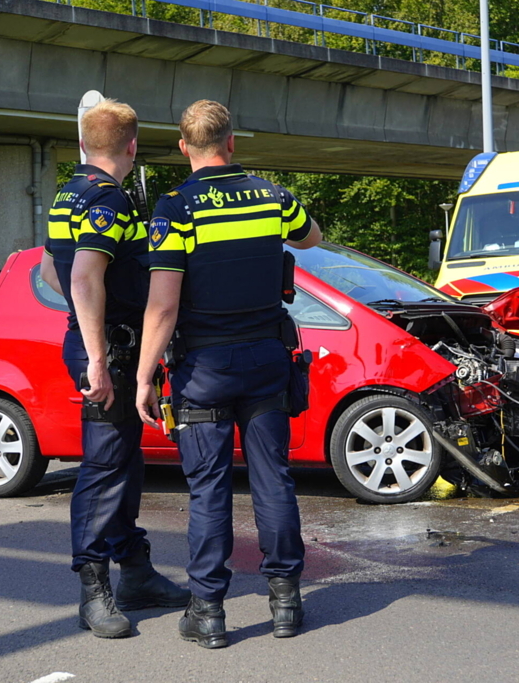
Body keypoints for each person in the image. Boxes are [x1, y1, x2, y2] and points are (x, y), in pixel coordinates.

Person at [135, 99, 322, 649]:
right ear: (232, 142)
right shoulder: (273, 197)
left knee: (209, 490)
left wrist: (144, 377)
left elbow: (163, 305)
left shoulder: (175, 209)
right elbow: (312, 237)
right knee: (273, 480)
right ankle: (286, 601)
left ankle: (209, 612)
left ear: (183, 147)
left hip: (204, 369)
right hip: (266, 361)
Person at [40, 98, 190, 639]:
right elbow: (82, 277)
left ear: (84, 143)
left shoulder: (68, 193)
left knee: (124, 464)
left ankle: (136, 572)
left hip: (103, 347)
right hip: (107, 353)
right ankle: (93, 588)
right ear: (132, 146)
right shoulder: (110, 199)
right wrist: (99, 356)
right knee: (104, 469)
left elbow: (50, 270)